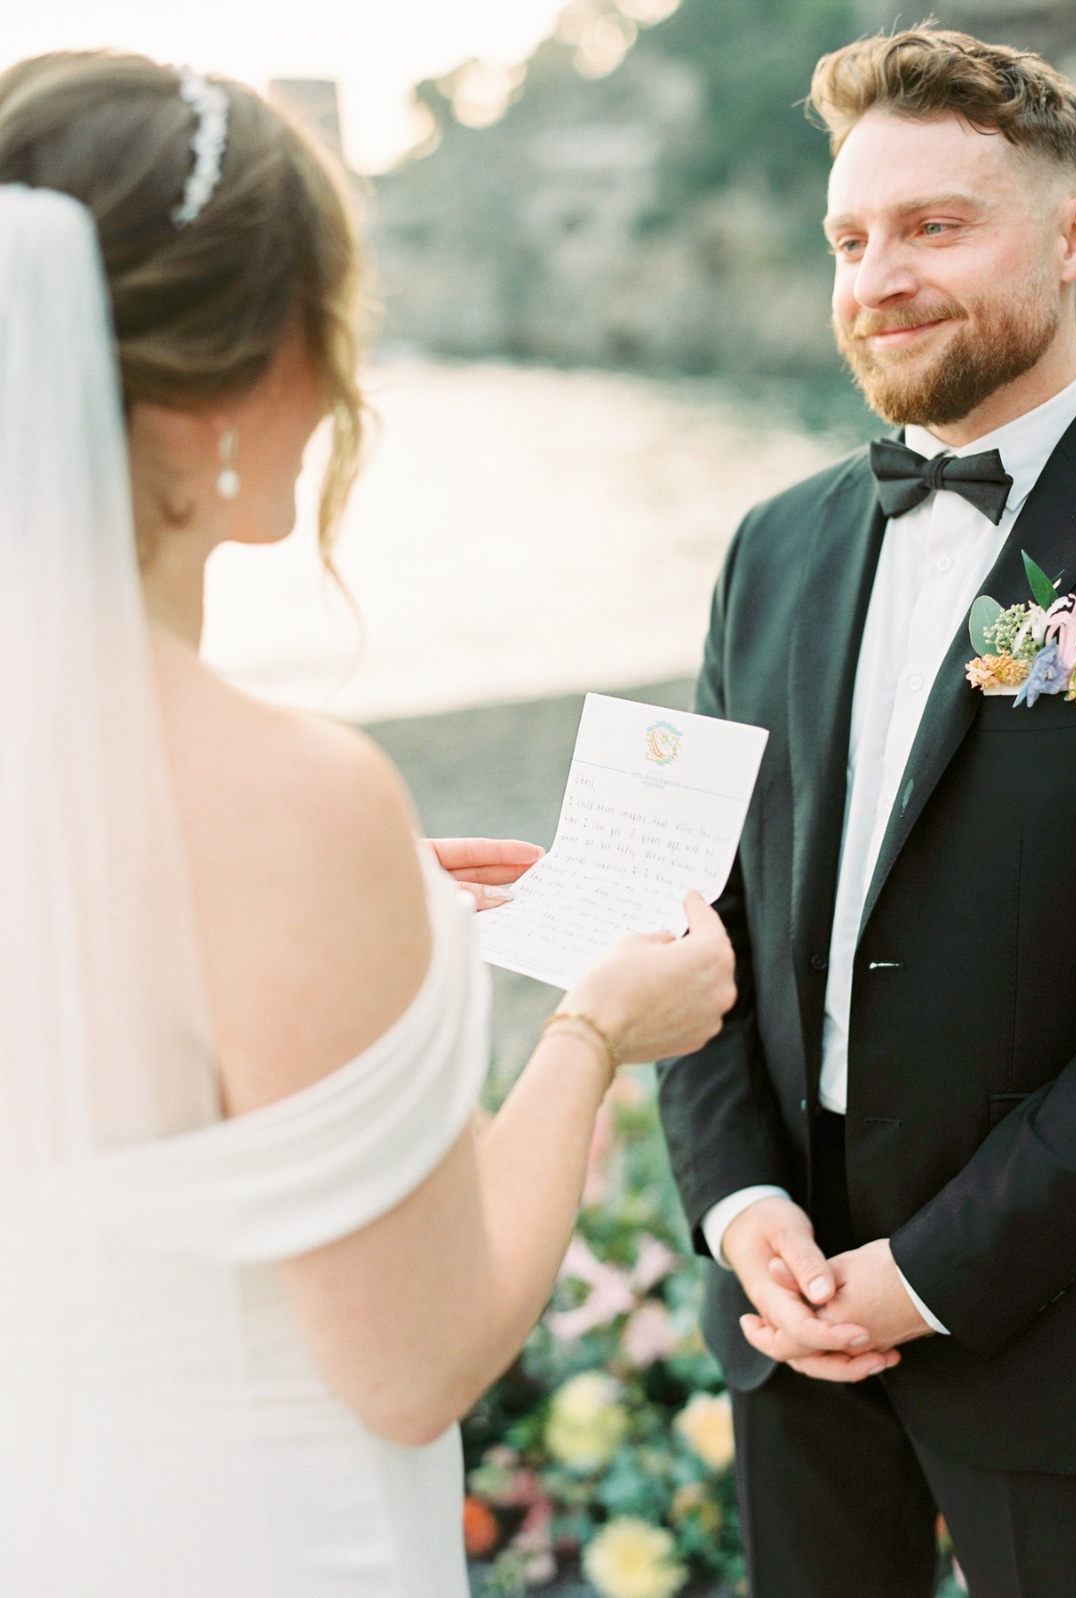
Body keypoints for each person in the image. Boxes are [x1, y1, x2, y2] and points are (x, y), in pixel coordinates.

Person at [0, 51, 736, 1597]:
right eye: (326, 323)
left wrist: (362, 925)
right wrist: (594, 1027)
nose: (344, 383)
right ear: (230, 377)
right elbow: (419, 1358)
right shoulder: (286, 801)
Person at [657, 25, 1076, 1598]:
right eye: (849, 238)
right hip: (784, 1313)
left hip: (1066, 1327)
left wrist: (926, 1276)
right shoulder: (770, 548)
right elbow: (707, 919)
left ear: (1075, 232)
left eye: (934, 226)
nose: (877, 275)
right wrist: (739, 1201)